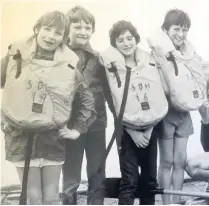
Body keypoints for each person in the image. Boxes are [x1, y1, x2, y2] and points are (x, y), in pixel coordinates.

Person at [1, 11, 95, 205]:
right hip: (20, 138)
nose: (51, 36)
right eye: (47, 29)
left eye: (58, 33)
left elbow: (87, 100)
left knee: (51, 198)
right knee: (33, 198)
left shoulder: (69, 65)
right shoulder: (15, 56)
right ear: (37, 29)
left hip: (52, 140)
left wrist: (77, 129)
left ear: (64, 37)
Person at [100, 20, 168, 205]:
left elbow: (159, 98)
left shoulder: (150, 64)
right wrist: (132, 132)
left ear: (136, 39)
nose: (126, 43)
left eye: (129, 38)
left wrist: (148, 129)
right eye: (120, 40)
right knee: (129, 181)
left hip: (150, 130)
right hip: (126, 132)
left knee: (149, 180)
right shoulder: (111, 69)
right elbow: (112, 104)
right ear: (114, 43)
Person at [148, 9, 207, 204]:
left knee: (180, 161)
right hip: (166, 113)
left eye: (185, 30)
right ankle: (166, 202)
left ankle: (177, 201)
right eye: (176, 29)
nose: (181, 34)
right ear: (165, 29)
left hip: (184, 114)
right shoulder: (156, 53)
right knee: (166, 162)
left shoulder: (188, 54)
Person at [62, 6, 107, 205]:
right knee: (71, 172)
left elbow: (109, 92)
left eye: (87, 27)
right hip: (70, 123)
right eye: (77, 26)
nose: (83, 31)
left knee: (97, 171)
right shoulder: (59, 55)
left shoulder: (98, 59)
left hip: (97, 122)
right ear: (67, 28)